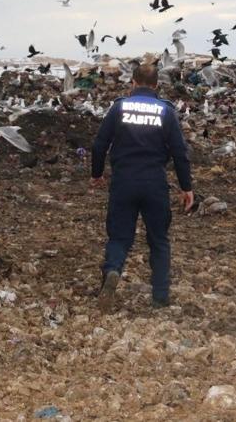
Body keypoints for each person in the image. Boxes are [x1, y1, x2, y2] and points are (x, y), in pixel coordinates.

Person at [90, 62, 194, 312]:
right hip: (154, 183)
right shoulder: (166, 111)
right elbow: (180, 152)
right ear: (157, 85)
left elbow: (99, 145)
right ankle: (160, 296)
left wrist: (96, 174)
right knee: (158, 239)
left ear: (133, 83)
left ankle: (113, 271)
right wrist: (186, 187)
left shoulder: (119, 107)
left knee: (119, 236)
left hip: (124, 181)